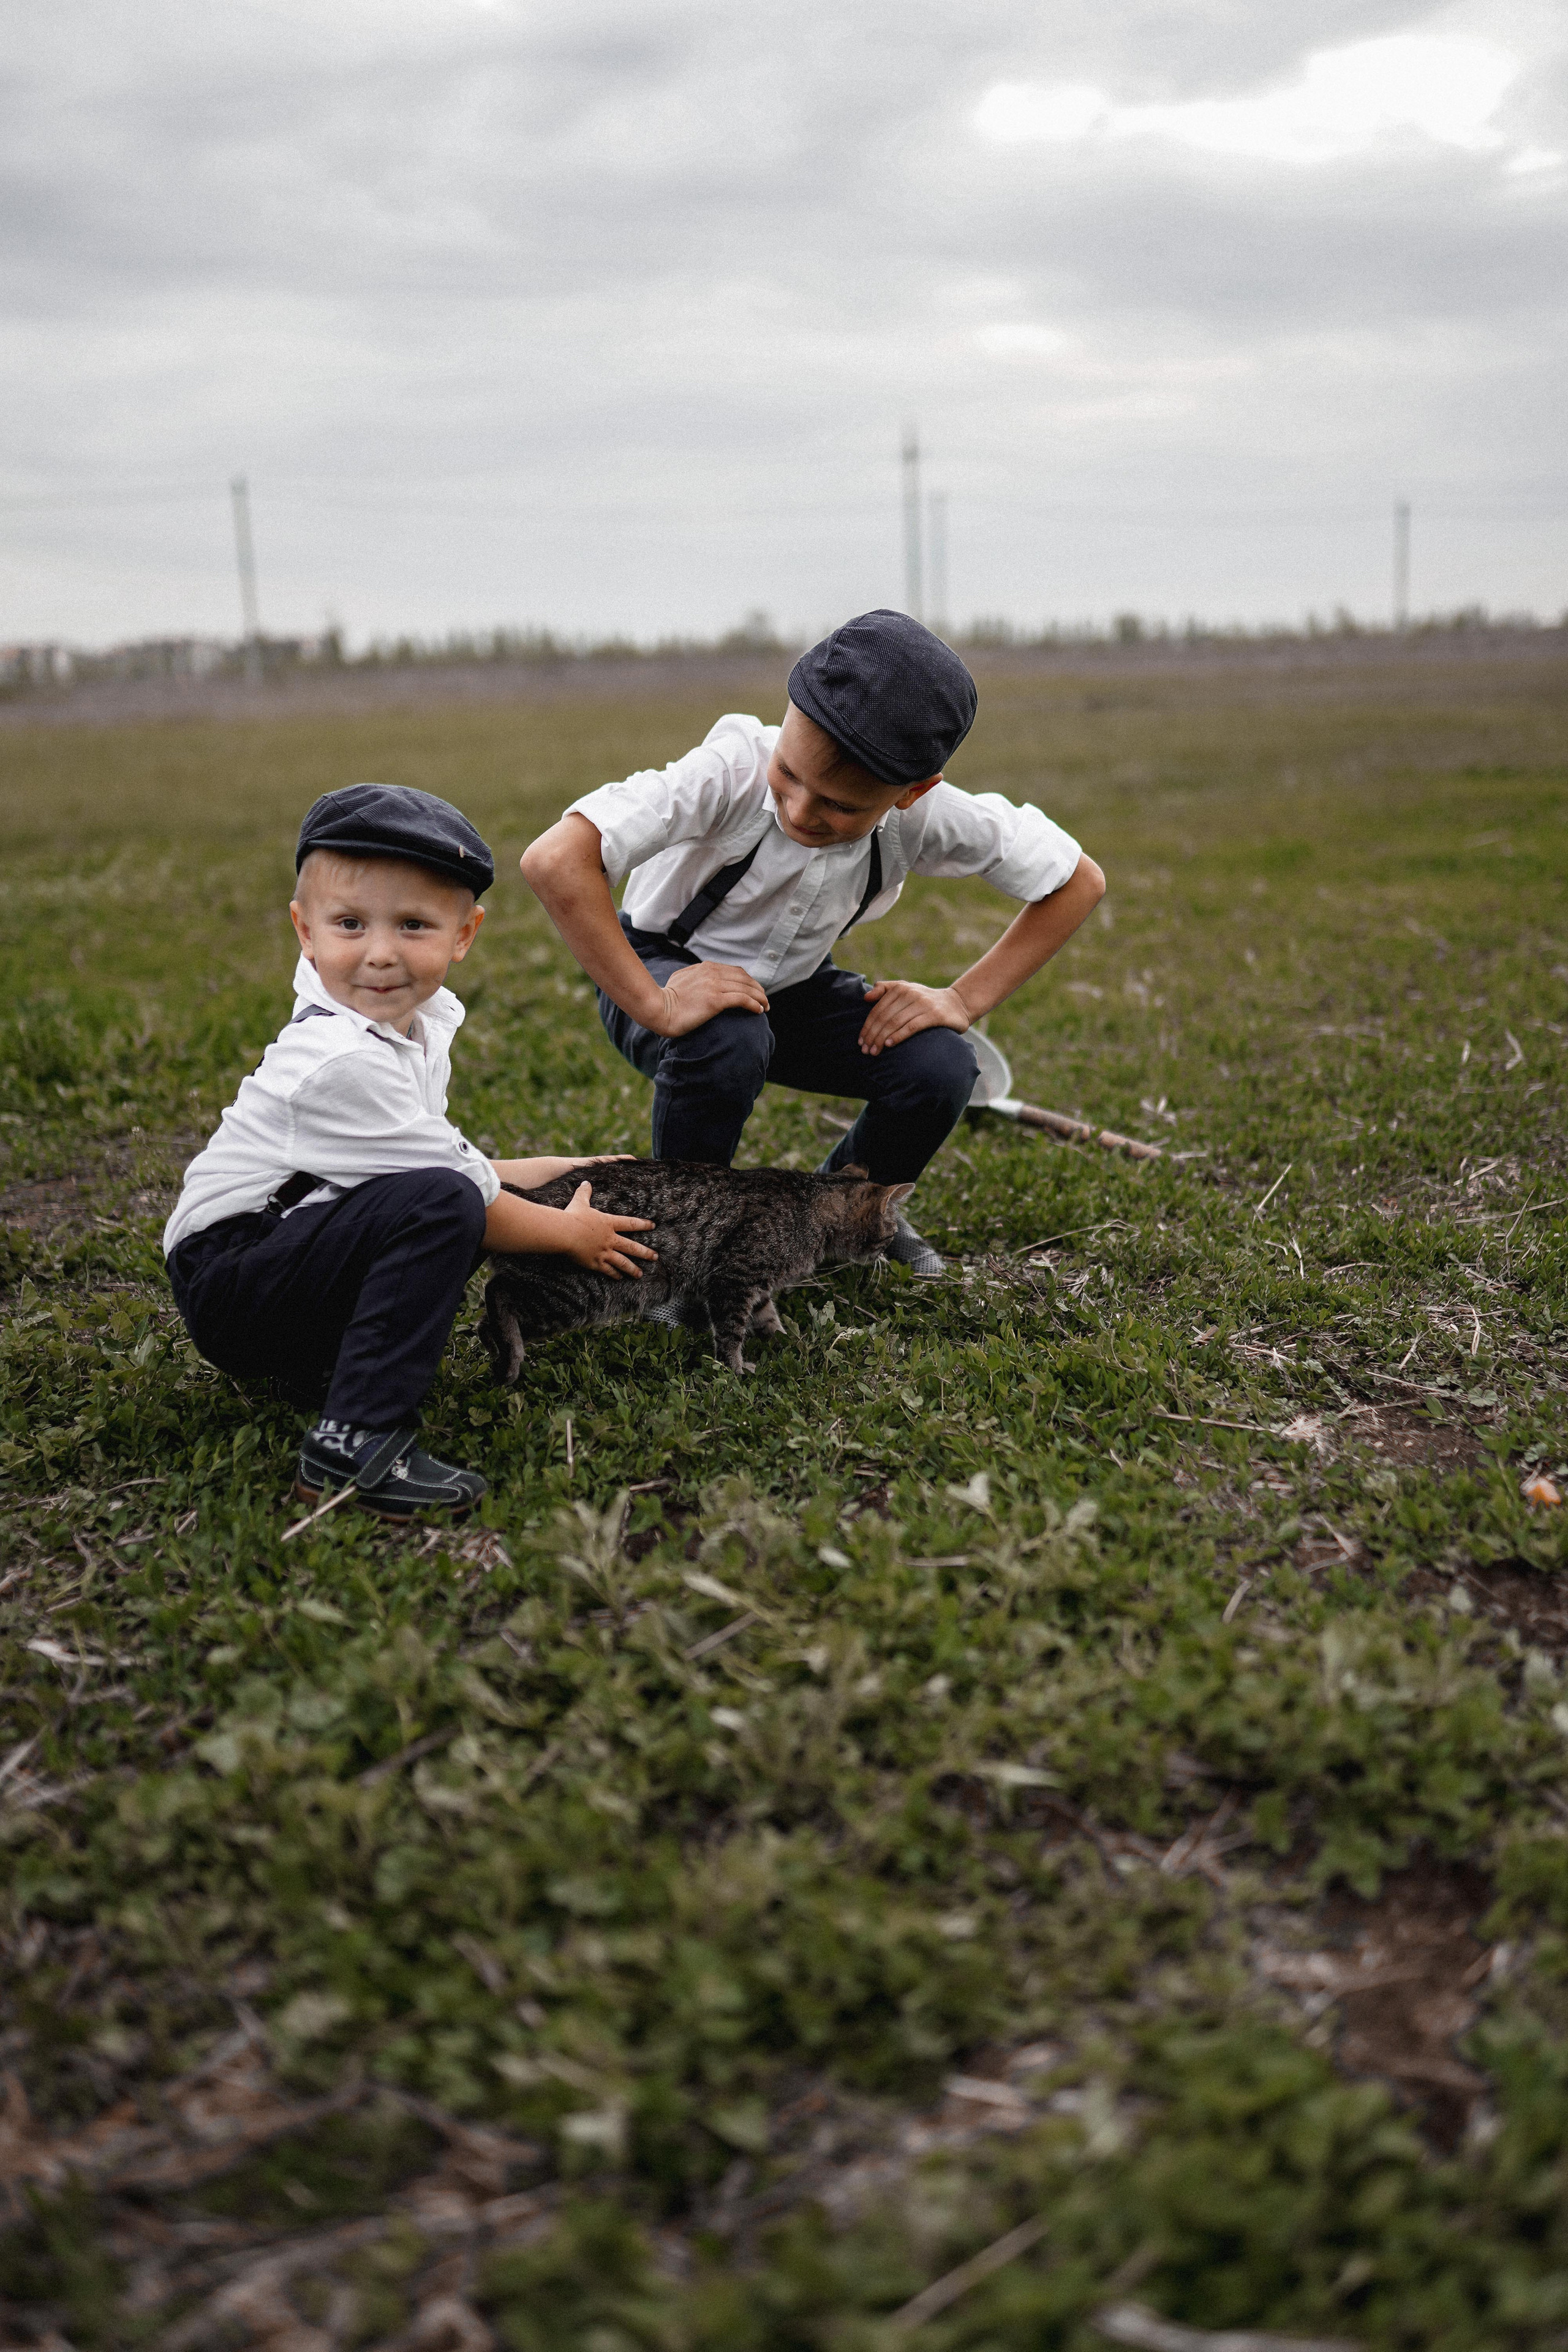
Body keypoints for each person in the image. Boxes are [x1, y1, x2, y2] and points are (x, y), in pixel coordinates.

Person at [519, 609, 1106, 1275]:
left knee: (941, 1064)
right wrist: (655, 1004)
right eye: (790, 774)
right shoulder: (729, 770)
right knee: (726, 1037)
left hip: (791, 989)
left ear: (913, 792)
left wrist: (963, 1000)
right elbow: (556, 860)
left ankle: (838, 1221)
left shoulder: (931, 817)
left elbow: (1077, 881)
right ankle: (681, 1250)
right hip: (659, 972)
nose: (800, 811)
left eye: (841, 807)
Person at [163, 784, 655, 1520]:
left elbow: (441, 1163)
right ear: (305, 930)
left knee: (440, 1196)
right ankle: (353, 1447)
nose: (382, 954)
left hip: (278, 1256)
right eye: (350, 924)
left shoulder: (412, 1026)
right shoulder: (338, 1058)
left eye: (415, 925)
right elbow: (462, 1196)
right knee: (444, 1207)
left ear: (463, 935)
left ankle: (325, 1368)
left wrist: (571, 1170)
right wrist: (570, 1231)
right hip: (232, 1275)